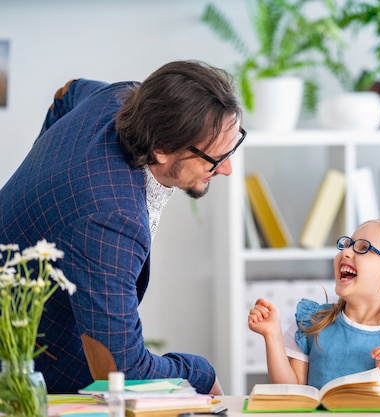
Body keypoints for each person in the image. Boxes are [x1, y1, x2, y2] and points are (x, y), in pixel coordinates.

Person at [0, 60, 244, 394]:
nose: (227, 169)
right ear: (160, 150)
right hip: (27, 360)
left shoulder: (124, 99)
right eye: (214, 159)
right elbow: (122, 374)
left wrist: (44, 176)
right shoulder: (112, 219)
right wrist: (200, 373)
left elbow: (67, 93)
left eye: (234, 146)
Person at [248, 218, 380, 396]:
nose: (346, 252)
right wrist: (272, 334)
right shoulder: (311, 322)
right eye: (347, 244)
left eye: (363, 248)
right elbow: (291, 392)